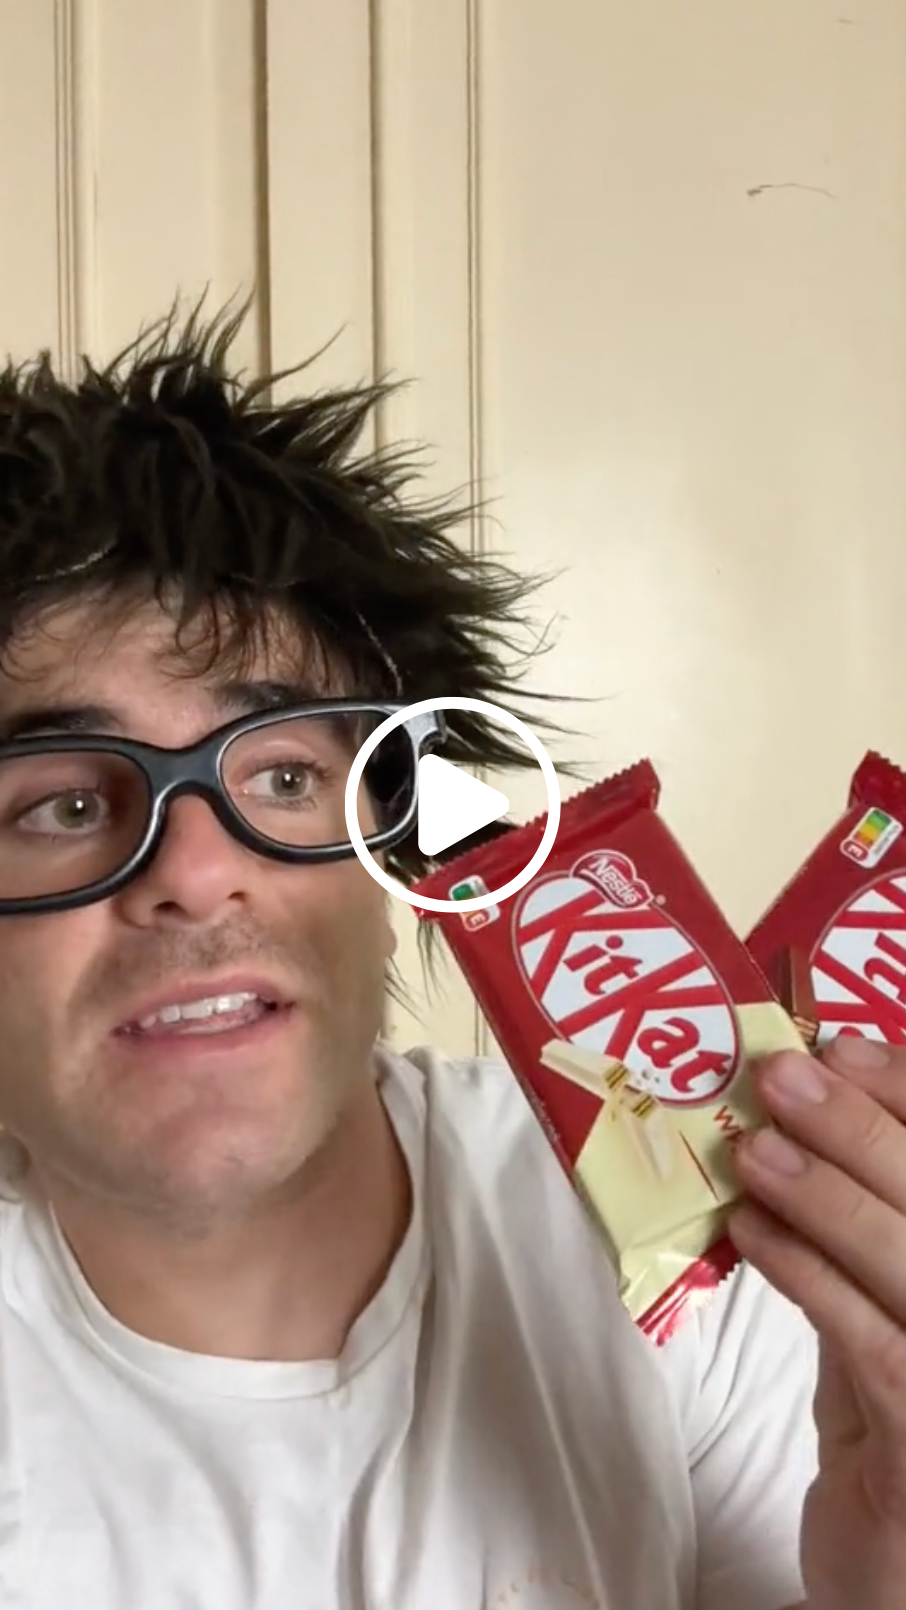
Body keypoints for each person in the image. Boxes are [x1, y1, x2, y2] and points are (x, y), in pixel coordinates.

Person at [0, 306, 902, 1610]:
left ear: (398, 863)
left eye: (285, 775)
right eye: (65, 804)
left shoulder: (672, 1226)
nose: (195, 871)